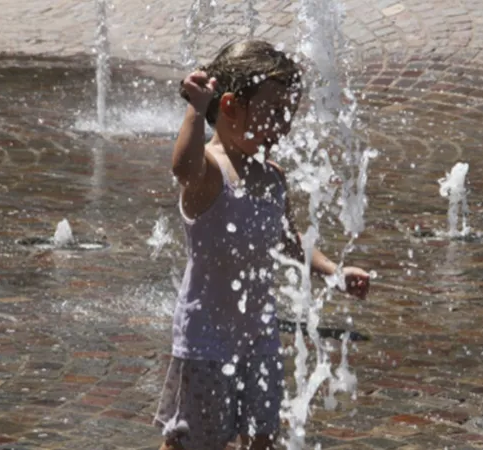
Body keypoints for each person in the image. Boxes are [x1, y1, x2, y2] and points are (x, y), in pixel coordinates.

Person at [154, 40, 370, 450]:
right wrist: (196, 109)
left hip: (260, 337)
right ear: (232, 107)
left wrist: (333, 272)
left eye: (289, 114)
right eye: (275, 114)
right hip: (206, 342)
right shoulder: (211, 171)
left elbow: (289, 241)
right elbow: (182, 166)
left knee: (262, 438)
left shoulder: (271, 176)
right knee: (193, 442)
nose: (284, 126)